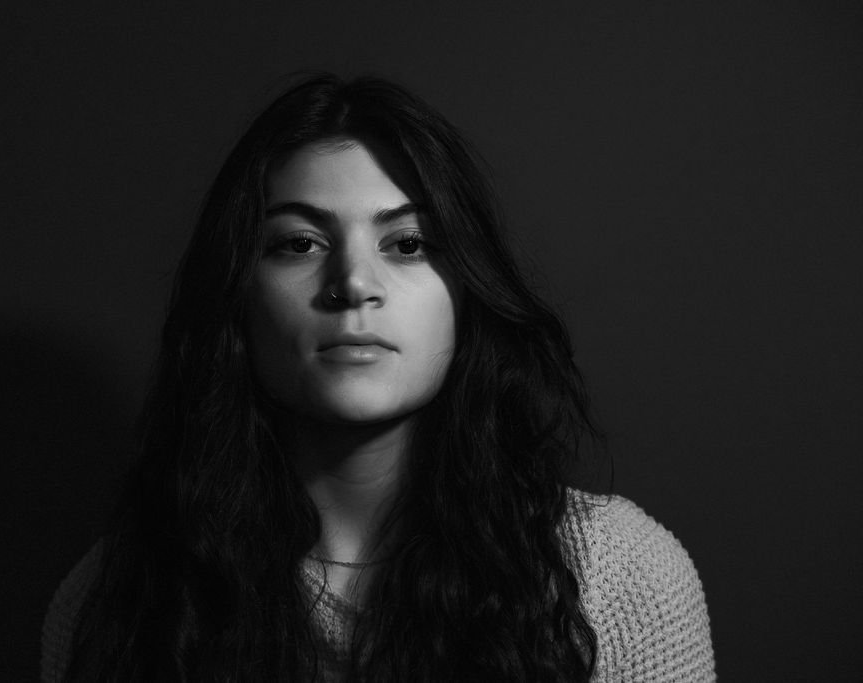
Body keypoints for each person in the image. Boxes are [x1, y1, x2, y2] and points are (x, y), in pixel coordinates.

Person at [41, 73, 715, 682]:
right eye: (299, 243)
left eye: (408, 243)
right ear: (236, 295)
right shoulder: (115, 599)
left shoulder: (613, 575)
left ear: (467, 290)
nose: (354, 284)